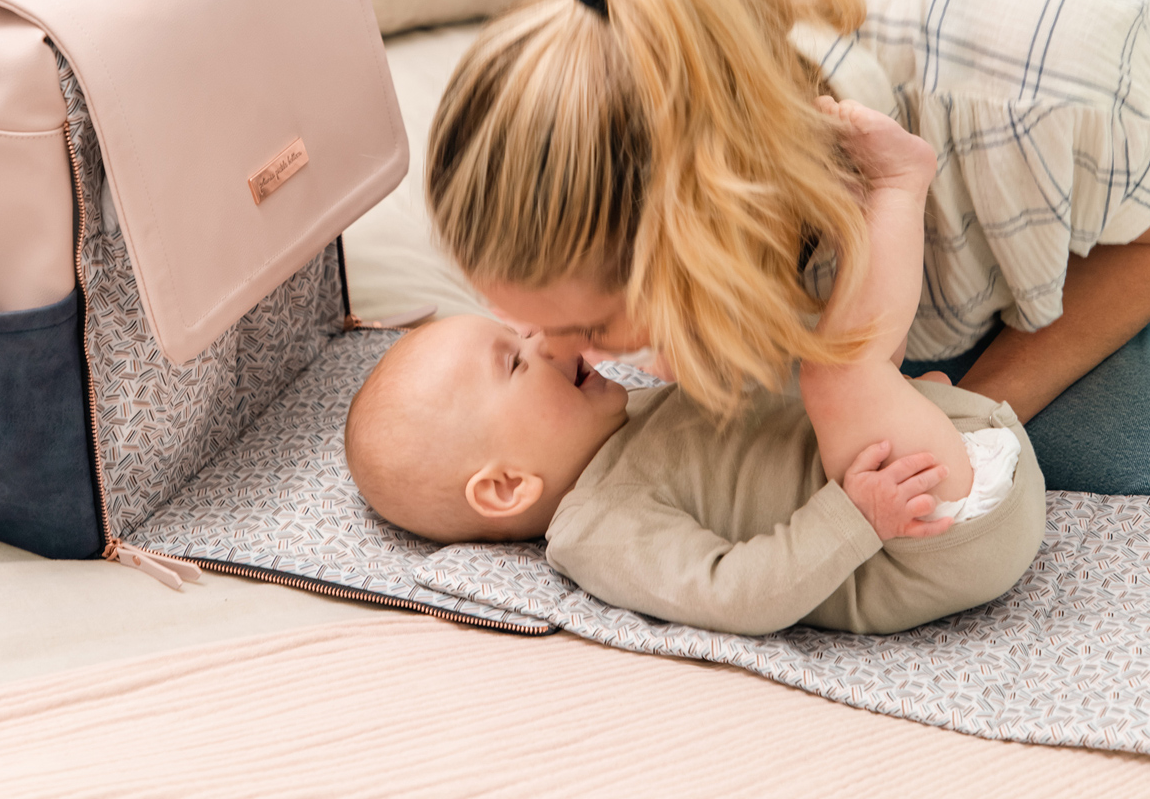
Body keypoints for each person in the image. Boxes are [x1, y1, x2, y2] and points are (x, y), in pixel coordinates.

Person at [426, 0, 1150, 495]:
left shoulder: (1044, 74)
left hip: (1133, 205)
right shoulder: (600, 27)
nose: (566, 354)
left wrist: (971, 410)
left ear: (699, 237)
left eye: (590, 330)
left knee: (1127, 456)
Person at [345, 100, 1044, 635]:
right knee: (838, 376)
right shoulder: (596, 530)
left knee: (826, 365)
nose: (542, 341)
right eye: (514, 360)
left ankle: (882, 370)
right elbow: (735, 593)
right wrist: (854, 517)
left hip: (945, 450)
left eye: (520, 331)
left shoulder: (633, 416)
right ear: (504, 486)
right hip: (924, 534)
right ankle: (896, 184)